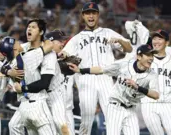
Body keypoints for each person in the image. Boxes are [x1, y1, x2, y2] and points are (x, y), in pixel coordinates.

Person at [58, 2, 132, 134]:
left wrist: (120, 41)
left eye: (93, 13)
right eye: (87, 13)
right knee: (86, 121)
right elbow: (64, 55)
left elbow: (129, 49)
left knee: (112, 118)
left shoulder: (108, 32)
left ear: (98, 15)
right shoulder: (76, 39)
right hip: (86, 80)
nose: (90, 16)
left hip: (106, 78)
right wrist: (63, 54)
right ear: (83, 16)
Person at [68, 44, 159, 135]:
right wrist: (80, 70)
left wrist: (138, 87)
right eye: (148, 55)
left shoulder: (152, 75)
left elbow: (156, 95)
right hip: (115, 107)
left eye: (152, 55)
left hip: (131, 110)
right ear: (139, 56)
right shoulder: (124, 65)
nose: (151, 58)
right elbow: (101, 70)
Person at [0, 36, 57, 134]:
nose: (19, 42)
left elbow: (2, 68)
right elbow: (49, 45)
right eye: (16, 42)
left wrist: (7, 71)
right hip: (37, 103)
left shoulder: (10, 64)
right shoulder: (29, 57)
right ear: (14, 48)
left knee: (14, 126)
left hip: (24, 107)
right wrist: (43, 35)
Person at [45, 29, 75, 135]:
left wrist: (66, 58)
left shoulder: (65, 56)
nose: (63, 43)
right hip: (47, 103)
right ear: (51, 42)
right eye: (60, 41)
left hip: (65, 107)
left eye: (63, 41)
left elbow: (77, 66)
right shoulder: (43, 58)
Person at [141, 30, 171, 135]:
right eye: (154, 38)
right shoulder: (143, 58)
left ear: (166, 43)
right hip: (148, 104)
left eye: (160, 38)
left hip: (168, 103)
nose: (156, 41)